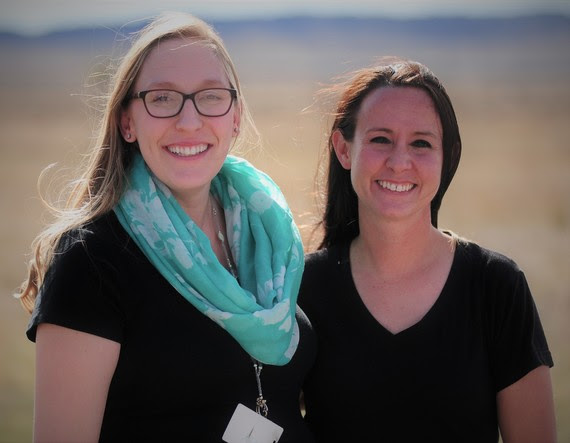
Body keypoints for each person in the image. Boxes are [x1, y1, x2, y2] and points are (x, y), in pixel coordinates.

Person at [17, 12, 316, 442]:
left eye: (210, 97)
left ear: (235, 116)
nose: (189, 120)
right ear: (128, 122)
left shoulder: (266, 232)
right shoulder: (92, 261)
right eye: (162, 98)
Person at [298, 59, 556, 442]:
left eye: (421, 143)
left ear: (447, 157)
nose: (400, 162)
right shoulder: (301, 288)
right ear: (344, 149)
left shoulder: (496, 287)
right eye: (380, 139)